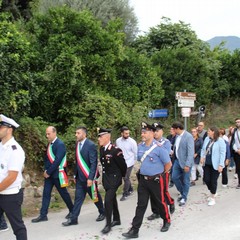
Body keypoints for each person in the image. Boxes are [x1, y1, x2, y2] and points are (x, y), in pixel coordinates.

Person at [122, 122, 172, 239]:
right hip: (143, 181)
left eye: (145, 132)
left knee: (160, 202)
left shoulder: (159, 148)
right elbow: (139, 160)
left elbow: (168, 164)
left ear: (152, 133)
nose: (142, 134)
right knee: (141, 205)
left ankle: (166, 220)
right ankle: (135, 230)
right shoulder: (140, 147)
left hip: (155, 180)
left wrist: (159, 174)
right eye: (142, 132)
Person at [62, 126, 105, 226]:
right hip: (80, 178)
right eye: (76, 133)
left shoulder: (91, 145)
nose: (76, 135)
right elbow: (77, 161)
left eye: (78, 133)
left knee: (95, 196)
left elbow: (93, 163)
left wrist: (90, 178)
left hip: (89, 177)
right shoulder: (77, 144)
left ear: (84, 134)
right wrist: (75, 174)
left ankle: (103, 212)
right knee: (78, 198)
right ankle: (74, 219)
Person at [32, 126, 73, 223]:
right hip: (49, 175)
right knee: (46, 194)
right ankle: (43, 215)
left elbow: (57, 160)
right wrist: (45, 170)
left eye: (48, 134)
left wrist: (48, 172)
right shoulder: (49, 144)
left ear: (54, 133)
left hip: (57, 174)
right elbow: (47, 159)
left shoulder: (60, 144)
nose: (47, 136)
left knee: (64, 194)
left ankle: (72, 210)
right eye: (46, 134)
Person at [0, 114, 27, 239]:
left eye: (1, 127)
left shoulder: (15, 150)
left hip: (10, 195)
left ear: (9, 129)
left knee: (17, 227)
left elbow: (11, 177)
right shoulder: (1, 147)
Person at [98, 128, 127, 234]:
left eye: (101, 136)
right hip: (106, 179)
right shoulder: (102, 149)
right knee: (112, 198)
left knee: (108, 200)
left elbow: (123, 166)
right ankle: (117, 219)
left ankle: (108, 224)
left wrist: (122, 177)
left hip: (114, 179)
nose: (99, 139)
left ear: (107, 137)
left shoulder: (115, 150)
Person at [147, 122, 175, 221]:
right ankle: (155, 212)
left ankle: (170, 202)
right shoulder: (150, 142)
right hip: (152, 171)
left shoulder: (166, 142)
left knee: (163, 191)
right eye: (153, 131)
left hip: (163, 170)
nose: (155, 133)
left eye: (157, 131)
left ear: (162, 131)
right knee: (153, 192)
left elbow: (165, 156)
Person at [200, 126, 225, 205]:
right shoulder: (207, 139)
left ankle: (213, 197)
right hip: (207, 163)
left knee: (213, 181)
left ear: (213, 132)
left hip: (216, 164)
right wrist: (202, 157)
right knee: (206, 179)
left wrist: (221, 165)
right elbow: (203, 149)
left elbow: (222, 153)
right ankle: (213, 191)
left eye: (209, 131)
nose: (207, 132)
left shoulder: (220, 141)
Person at [171, 121, 194, 207]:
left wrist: (187, 164)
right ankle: (182, 191)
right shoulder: (177, 136)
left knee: (186, 180)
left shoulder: (188, 136)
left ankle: (184, 197)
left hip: (185, 162)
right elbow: (177, 147)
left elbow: (191, 151)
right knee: (174, 177)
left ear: (177, 128)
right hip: (177, 161)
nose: (173, 131)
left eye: (174, 129)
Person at [116, 126, 137, 201]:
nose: (127, 135)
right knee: (124, 177)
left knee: (126, 177)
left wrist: (133, 162)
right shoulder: (118, 141)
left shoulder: (132, 142)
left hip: (129, 162)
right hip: (122, 162)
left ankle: (125, 193)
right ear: (121, 133)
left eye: (128, 133)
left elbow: (135, 153)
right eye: (125, 133)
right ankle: (130, 189)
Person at [230, 118, 240, 188]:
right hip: (237, 152)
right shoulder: (235, 131)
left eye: (239, 122)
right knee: (238, 168)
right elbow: (233, 142)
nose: (237, 123)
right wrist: (236, 150)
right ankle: (239, 183)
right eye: (236, 122)